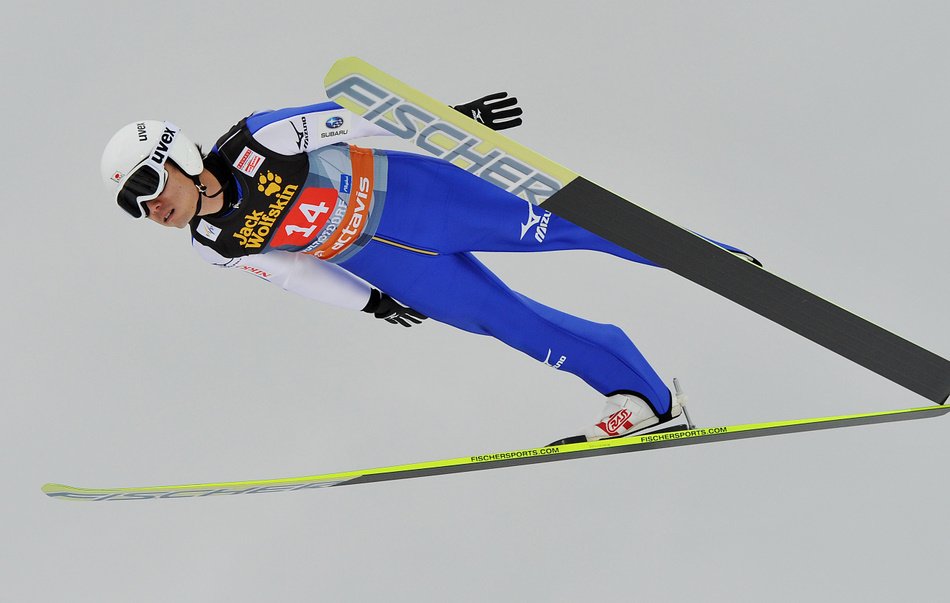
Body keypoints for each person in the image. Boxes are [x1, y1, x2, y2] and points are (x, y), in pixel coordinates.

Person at [100, 92, 754, 442]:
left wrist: (454, 120)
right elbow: (290, 271)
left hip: (419, 199)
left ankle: (711, 260)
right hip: (385, 262)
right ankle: (645, 398)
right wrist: (368, 301)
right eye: (135, 205)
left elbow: (353, 120)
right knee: (506, 322)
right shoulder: (213, 242)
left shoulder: (258, 139)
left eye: (148, 184)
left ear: (178, 154)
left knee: (561, 225)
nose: (151, 207)